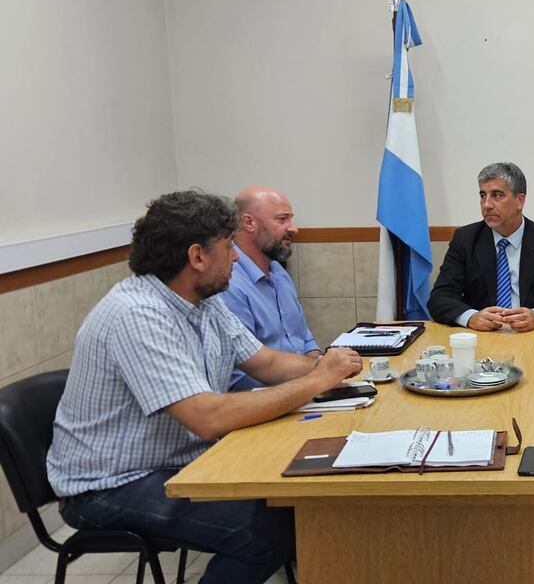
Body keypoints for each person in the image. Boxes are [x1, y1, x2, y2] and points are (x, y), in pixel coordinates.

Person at [46, 191, 363, 584]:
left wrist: (330, 367)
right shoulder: (137, 315)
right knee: (265, 531)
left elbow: (266, 363)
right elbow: (207, 418)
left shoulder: (203, 300)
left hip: (179, 461)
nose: (235, 257)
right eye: (229, 246)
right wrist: (317, 379)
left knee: (306, 500)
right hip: (110, 486)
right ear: (197, 257)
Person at [427, 162, 534, 331]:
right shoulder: (465, 239)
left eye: (497, 195)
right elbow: (439, 298)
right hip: (483, 339)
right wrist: (470, 317)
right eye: (483, 195)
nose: (487, 205)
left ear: (520, 201)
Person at [220, 186, 319, 392]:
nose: (294, 229)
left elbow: (304, 339)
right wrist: (318, 375)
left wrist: (324, 373)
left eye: (291, 219)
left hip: (302, 387)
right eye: (282, 220)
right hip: (264, 400)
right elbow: (238, 376)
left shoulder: (277, 270)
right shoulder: (227, 282)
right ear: (249, 223)